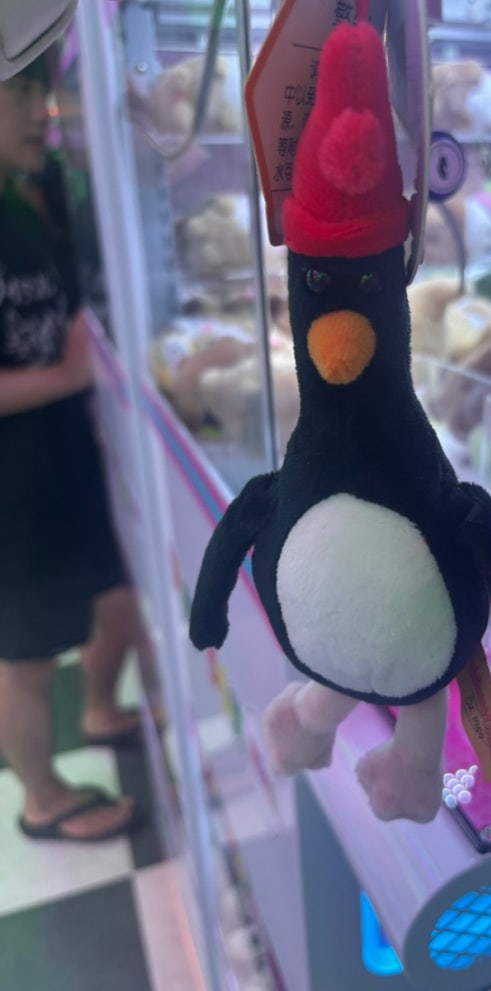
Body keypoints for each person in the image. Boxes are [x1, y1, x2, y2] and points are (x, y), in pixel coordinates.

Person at [0, 56, 147, 841]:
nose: (42, 111)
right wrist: (68, 375)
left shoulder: (19, 202)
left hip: (60, 456)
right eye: (20, 92)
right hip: (13, 487)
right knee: (24, 657)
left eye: (42, 90)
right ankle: (43, 799)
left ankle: (99, 709)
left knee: (113, 598)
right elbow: (57, 359)